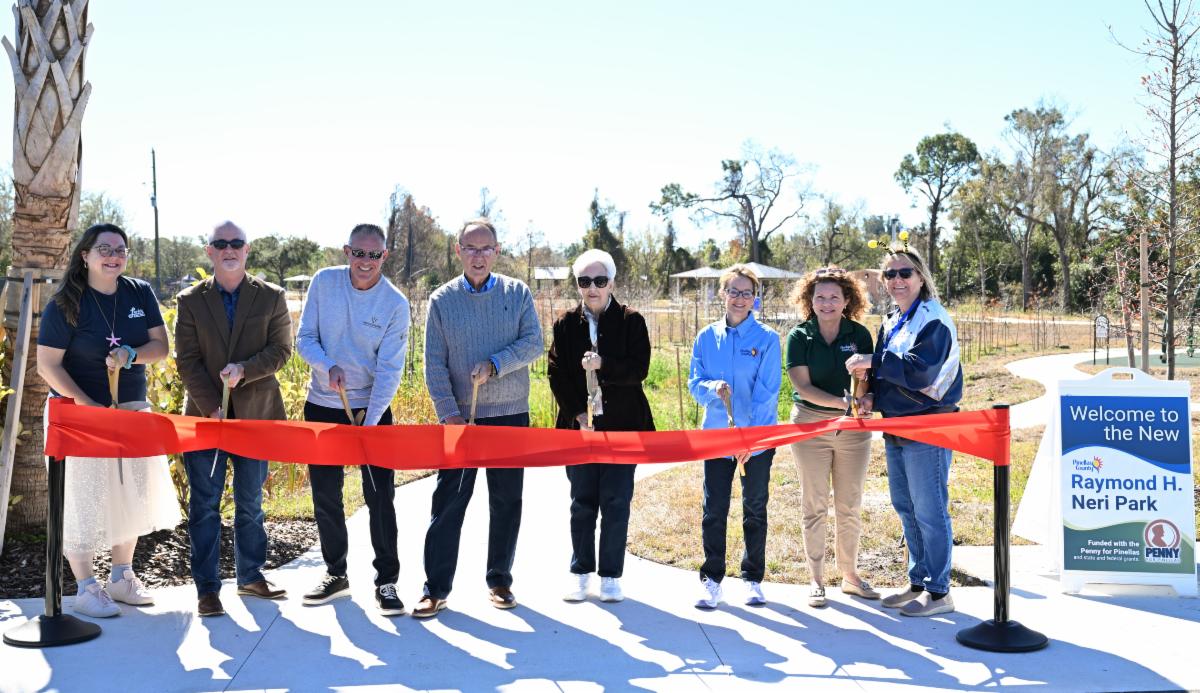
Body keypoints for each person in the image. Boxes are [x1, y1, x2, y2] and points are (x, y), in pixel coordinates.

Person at [36, 223, 179, 618]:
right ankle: (85, 586)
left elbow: (160, 348)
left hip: (131, 410)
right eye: (104, 249)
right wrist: (85, 403)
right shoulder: (66, 303)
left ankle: (122, 577)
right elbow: (47, 365)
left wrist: (131, 356)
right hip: (78, 415)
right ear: (86, 255)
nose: (113, 256)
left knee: (128, 493)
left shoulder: (140, 292)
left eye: (121, 249)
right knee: (82, 498)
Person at [414, 218, 543, 619]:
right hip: (460, 420)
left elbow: (534, 344)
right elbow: (433, 364)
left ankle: (499, 580)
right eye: (470, 248)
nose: (478, 256)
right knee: (449, 502)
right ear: (458, 251)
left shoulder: (517, 293)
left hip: (509, 414)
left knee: (506, 502)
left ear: (497, 251)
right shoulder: (441, 300)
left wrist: (495, 363)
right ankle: (435, 588)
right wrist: (449, 414)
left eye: (486, 248)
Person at [175, 221, 293, 617]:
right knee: (205, 506)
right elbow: (187, 361)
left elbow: (281, 351)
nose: (229, 249)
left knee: (251, 502)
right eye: (220, 243)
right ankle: (207, 589)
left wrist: (244, 369)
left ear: (247, 250)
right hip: (206, 419)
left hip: (256, 417)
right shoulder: (190, 300)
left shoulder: (272, 297)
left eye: (236, 243)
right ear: (209, 251)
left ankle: (251, 576)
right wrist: (210, 406)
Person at [296, 223, 411, 616]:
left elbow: (391, 370)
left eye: (374, 255)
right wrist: (327, 365)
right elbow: (305, 338)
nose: (365, 262)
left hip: (371, 410)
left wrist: (371, 421)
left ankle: (387, 581)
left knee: (381, 497)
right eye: (358, 253)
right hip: (323, 405)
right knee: (326, 495)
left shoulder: (395, 304)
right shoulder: (324, 284)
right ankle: (335, 573)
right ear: (347, 252)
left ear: (385, 257)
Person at [846, 247, 963, 617]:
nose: (898, 280)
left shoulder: (933, 319)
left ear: (921, 276)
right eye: (890, 274)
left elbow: (920, 372)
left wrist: (873, 360)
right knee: (905, 505)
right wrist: (872, 398)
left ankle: (940, 592)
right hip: (897, 425)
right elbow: (886, 373)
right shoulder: (894, 319)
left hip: (928, 424)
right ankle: (918, 582)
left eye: (905, 273)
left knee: (930, 510)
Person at [548, 249, 653, 604]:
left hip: (623, 427)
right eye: (584, 281)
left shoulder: (631, 321)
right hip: (579, 430)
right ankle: (580, 572)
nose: (591, 288)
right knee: (582, 502)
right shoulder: (565, 324)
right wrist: (577, 414)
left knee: (617, 501)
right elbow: (556, 373)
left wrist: (603, 363)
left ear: (611, 282)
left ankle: (610, 575)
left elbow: (639, 370)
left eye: (599, 280)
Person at [688, 265, 781, 609]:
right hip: (716, 438)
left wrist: (750, 439)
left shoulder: (768, 339)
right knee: (714, 509)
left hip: (756, 441)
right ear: (722, 294)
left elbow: (768, 392)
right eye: (733, 291)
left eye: (747, 293)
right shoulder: (705, 337)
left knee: (754, 509)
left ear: (755, 298)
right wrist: (713, 388)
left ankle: (753, 579)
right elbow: (694, 384)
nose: (740, 299)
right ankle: (711, 579)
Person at [785, 267, 877, 609]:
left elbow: (866, 382)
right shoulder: (799, 336)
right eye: (820, 297)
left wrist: (862, 400)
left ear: (847, 300)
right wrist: (843, 402)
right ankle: (816, 578)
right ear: (809, 299)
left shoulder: (860, 334)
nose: (826, 303)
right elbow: (802, 386)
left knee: (849, 504)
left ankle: (850, 576)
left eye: (834, 297)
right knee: (815, 504)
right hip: (810, 425)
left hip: (852, 430)